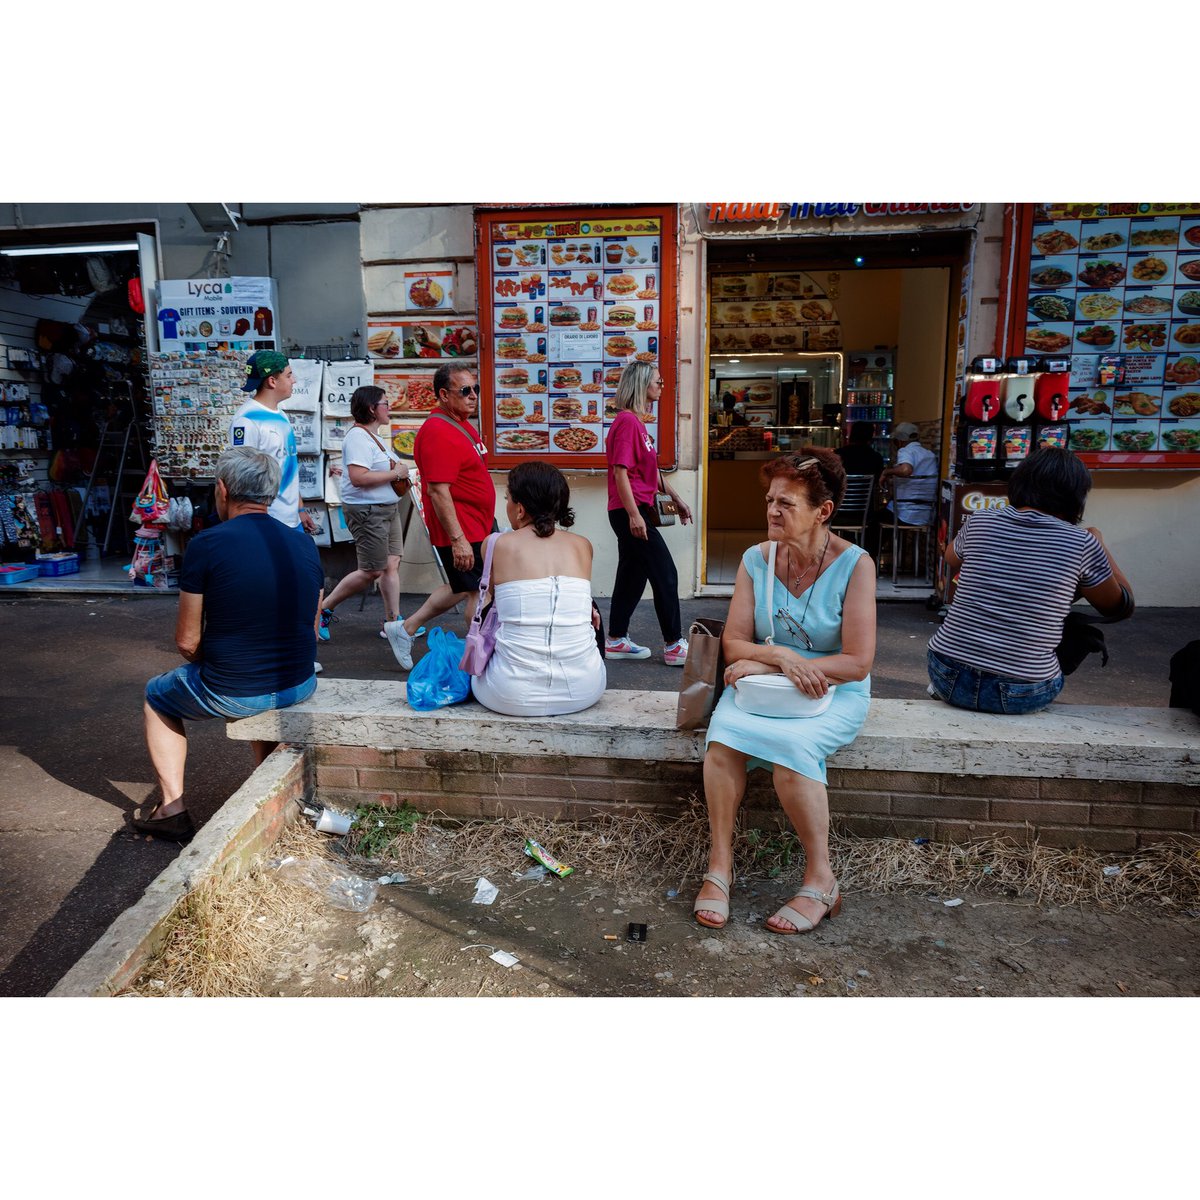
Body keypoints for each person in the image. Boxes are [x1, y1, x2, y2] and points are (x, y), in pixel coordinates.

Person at [694, 448, 876, 935]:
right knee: (723, 740)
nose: (772, 511)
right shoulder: (756, 558)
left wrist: (770, 659)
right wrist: (780, 659)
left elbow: (857, 662)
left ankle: (822, 878)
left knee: (794, 751)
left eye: (786, 503)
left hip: (833, 690)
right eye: (770, 500)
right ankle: (720, 866)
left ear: (824, 511)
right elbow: (733, 644)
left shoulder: (856, 565)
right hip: (762, 687)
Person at [134, 448, 324, 839]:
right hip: (301, 681)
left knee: (157, 696)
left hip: (240, 687)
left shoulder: (207, 544)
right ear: (271, 493)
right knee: (247, 682)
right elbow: (313, 622)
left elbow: (187, 641)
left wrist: (221, 662)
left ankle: (171, 808)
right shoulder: (304, 543)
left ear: (222, 489)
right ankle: (269, 793)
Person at [927, 447, 1134, 714]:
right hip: (1020, 692)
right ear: (1077, 496)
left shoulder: (981, 521)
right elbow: (1121, 606)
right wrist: (1099, 542)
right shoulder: (1081, 543)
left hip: (945, 674)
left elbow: (951, 558)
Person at [470, 462, 606, 717]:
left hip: (509, 695)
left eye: (507, 499)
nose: (506, 505)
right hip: (586, 689)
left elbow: (494, 606)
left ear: (520, 509)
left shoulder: (496, 544)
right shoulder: (583, 545)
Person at [386, 364, 496, 670]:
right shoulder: (437, 430)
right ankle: (477, 658)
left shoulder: (460, 424)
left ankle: (405, 628)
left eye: (475, 389)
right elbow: (437, 491)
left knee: (465, 586)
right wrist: (458, 539)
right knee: (477, 589)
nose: (473, 396)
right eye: (465, 391)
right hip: (464, 529)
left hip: (477, 523)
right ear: (444, 395)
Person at [604, 361, 692, 666]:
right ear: (642, 385)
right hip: (631, 511)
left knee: (632, 575)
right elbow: (620, 472)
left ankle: (615, 639)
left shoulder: (638, 424)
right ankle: (673, 646)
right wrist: (634, 515)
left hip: (634, 510)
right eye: (658, 381)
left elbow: (651, 471)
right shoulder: (628, 423)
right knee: (665, 574)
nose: (662, 386)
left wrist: (676, 498)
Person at [317, 385, 412, 642]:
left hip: (386, 508)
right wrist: (396, 473)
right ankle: (322, 610)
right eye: (385, 403)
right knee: (372, 571)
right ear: (372, 408)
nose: (389, 407)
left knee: (391, 565)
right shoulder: (358, 437)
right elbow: (359, 477)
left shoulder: (375, 437)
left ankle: (394, 624)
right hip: (368, 511)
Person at [227, 350, 317, 533]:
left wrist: (299, 508)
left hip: (292, 520)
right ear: (272, 381)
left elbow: (287, 465)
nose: (294, 380)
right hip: (268, 523)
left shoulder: (280, 413)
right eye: (289, 375)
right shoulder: (246, 420)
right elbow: (241, 477)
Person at [879, 421, 937, 526]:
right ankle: (899, 542)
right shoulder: (930, 455)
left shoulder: (906, 451)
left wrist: (886, 472)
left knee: (873, 520)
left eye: (895, 442)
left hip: (904, 514)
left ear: (900, 441)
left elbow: (906, 470)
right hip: (925, 516)